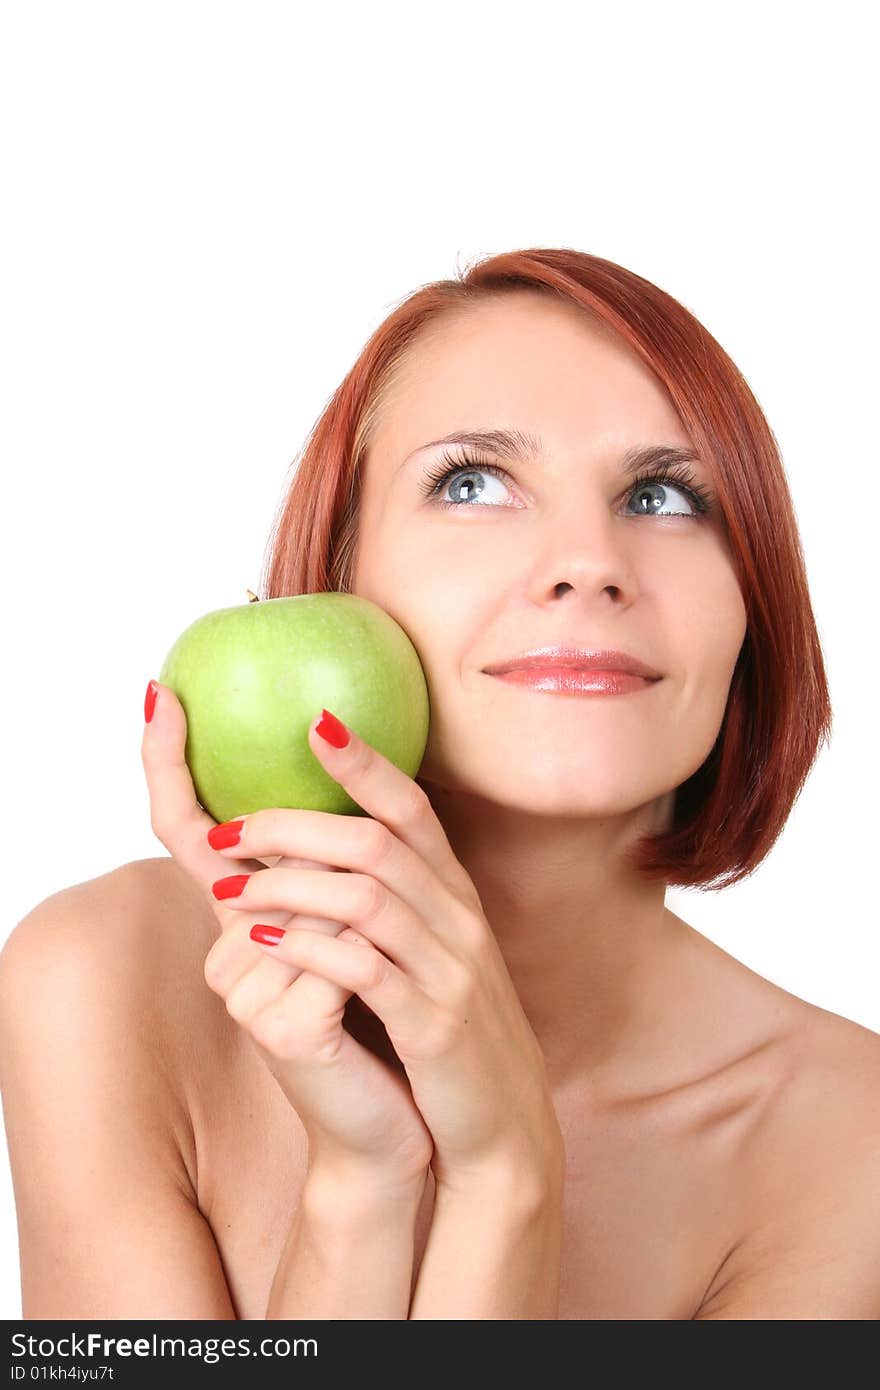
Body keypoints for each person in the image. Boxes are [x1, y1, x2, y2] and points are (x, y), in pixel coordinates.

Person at [2, 247, 878, 1321]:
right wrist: (363, 1178)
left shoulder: (851, 1146)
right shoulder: (105, 980)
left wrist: (505, 1179)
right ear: (340, 576)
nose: (586, 562)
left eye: (661, 494)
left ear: (753, 607)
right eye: (472, 482)